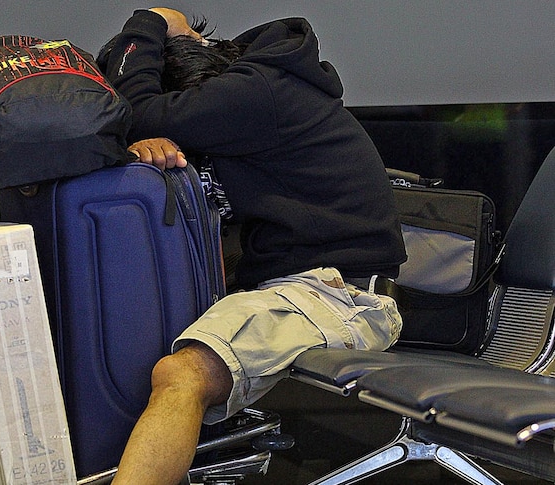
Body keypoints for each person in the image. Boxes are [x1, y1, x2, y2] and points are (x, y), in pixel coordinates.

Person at [99, 7, 408, 485]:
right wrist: (146, 145)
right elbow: (142, 123)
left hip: (338, 295)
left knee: (182, 374)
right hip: (300, 287)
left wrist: (149, 22)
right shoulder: (256, 89)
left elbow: (132, 111)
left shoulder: (258, 91)